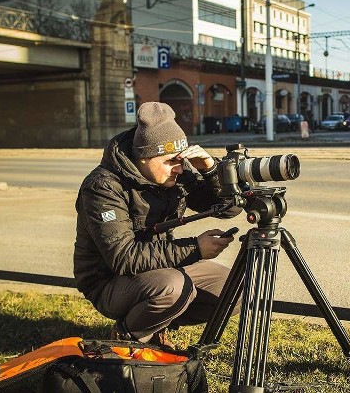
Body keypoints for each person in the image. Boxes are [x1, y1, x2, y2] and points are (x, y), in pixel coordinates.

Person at [74, 101, 241, 348]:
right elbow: (124, 258)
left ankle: (158, 321)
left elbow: (229, 209)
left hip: (160, 268)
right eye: (171, 160)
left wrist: (210, 170)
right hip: (109, 280)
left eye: (181, 160)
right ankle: (129, 335)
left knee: (235, 289)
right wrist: (195, 248)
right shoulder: (103, 187)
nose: (179, 167)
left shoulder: (174, 174)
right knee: (173, 287)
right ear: (143, 157)